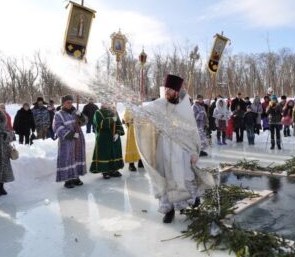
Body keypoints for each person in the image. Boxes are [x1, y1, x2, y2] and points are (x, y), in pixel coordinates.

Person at [134, 74, 213, 223]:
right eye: (166, 89)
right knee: (165, 178)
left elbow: (192, 131)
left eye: (170, 90)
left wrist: (194, 152)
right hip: (163, 148)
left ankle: (193, 200)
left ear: (176, 91)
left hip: (182, 150)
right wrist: (136, 110)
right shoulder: (160, 104)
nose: (166, 92)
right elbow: (145, 112)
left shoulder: (185, 108)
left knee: (185, 177)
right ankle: (168, 210)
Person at [53, 95, 87, 188]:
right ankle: (67, 180)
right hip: (66, 141)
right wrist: (71, 134)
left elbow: (84, 122)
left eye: (71, 102)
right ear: (63, 103)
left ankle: (76, 177)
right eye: (68, 102)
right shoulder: (58, 114)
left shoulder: (75, 112)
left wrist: (81, 116)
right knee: (67, 158)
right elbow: (57, 127)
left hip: (78, 139)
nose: (70, 104)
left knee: (77, 157)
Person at [90, 102, 125, 179]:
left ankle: (114, 170)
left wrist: (117, 133)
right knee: (105, 154)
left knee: (114, 153)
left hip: (114, 137)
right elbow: (100, 124)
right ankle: (105, 171)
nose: (107, 103)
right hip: (104, 138)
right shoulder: (98, 112)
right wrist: (111, 119)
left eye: (108, 102)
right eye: (105, 102)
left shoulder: (114, 111)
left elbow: (119, 124)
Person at [0, 107, 14, 196]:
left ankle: (1, 187)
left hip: (4, 152)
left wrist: (6, 135)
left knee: (3, 171)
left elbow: (11, 135)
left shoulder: (3, 124)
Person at [123, 106, 143, 171]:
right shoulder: (128, 108)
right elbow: (125, 119)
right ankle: (131, 164)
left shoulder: (140, 108)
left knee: (140, 146)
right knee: (132, 146)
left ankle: (140, 161)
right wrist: (132, 119)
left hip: (140, 130)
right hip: (132, 130)